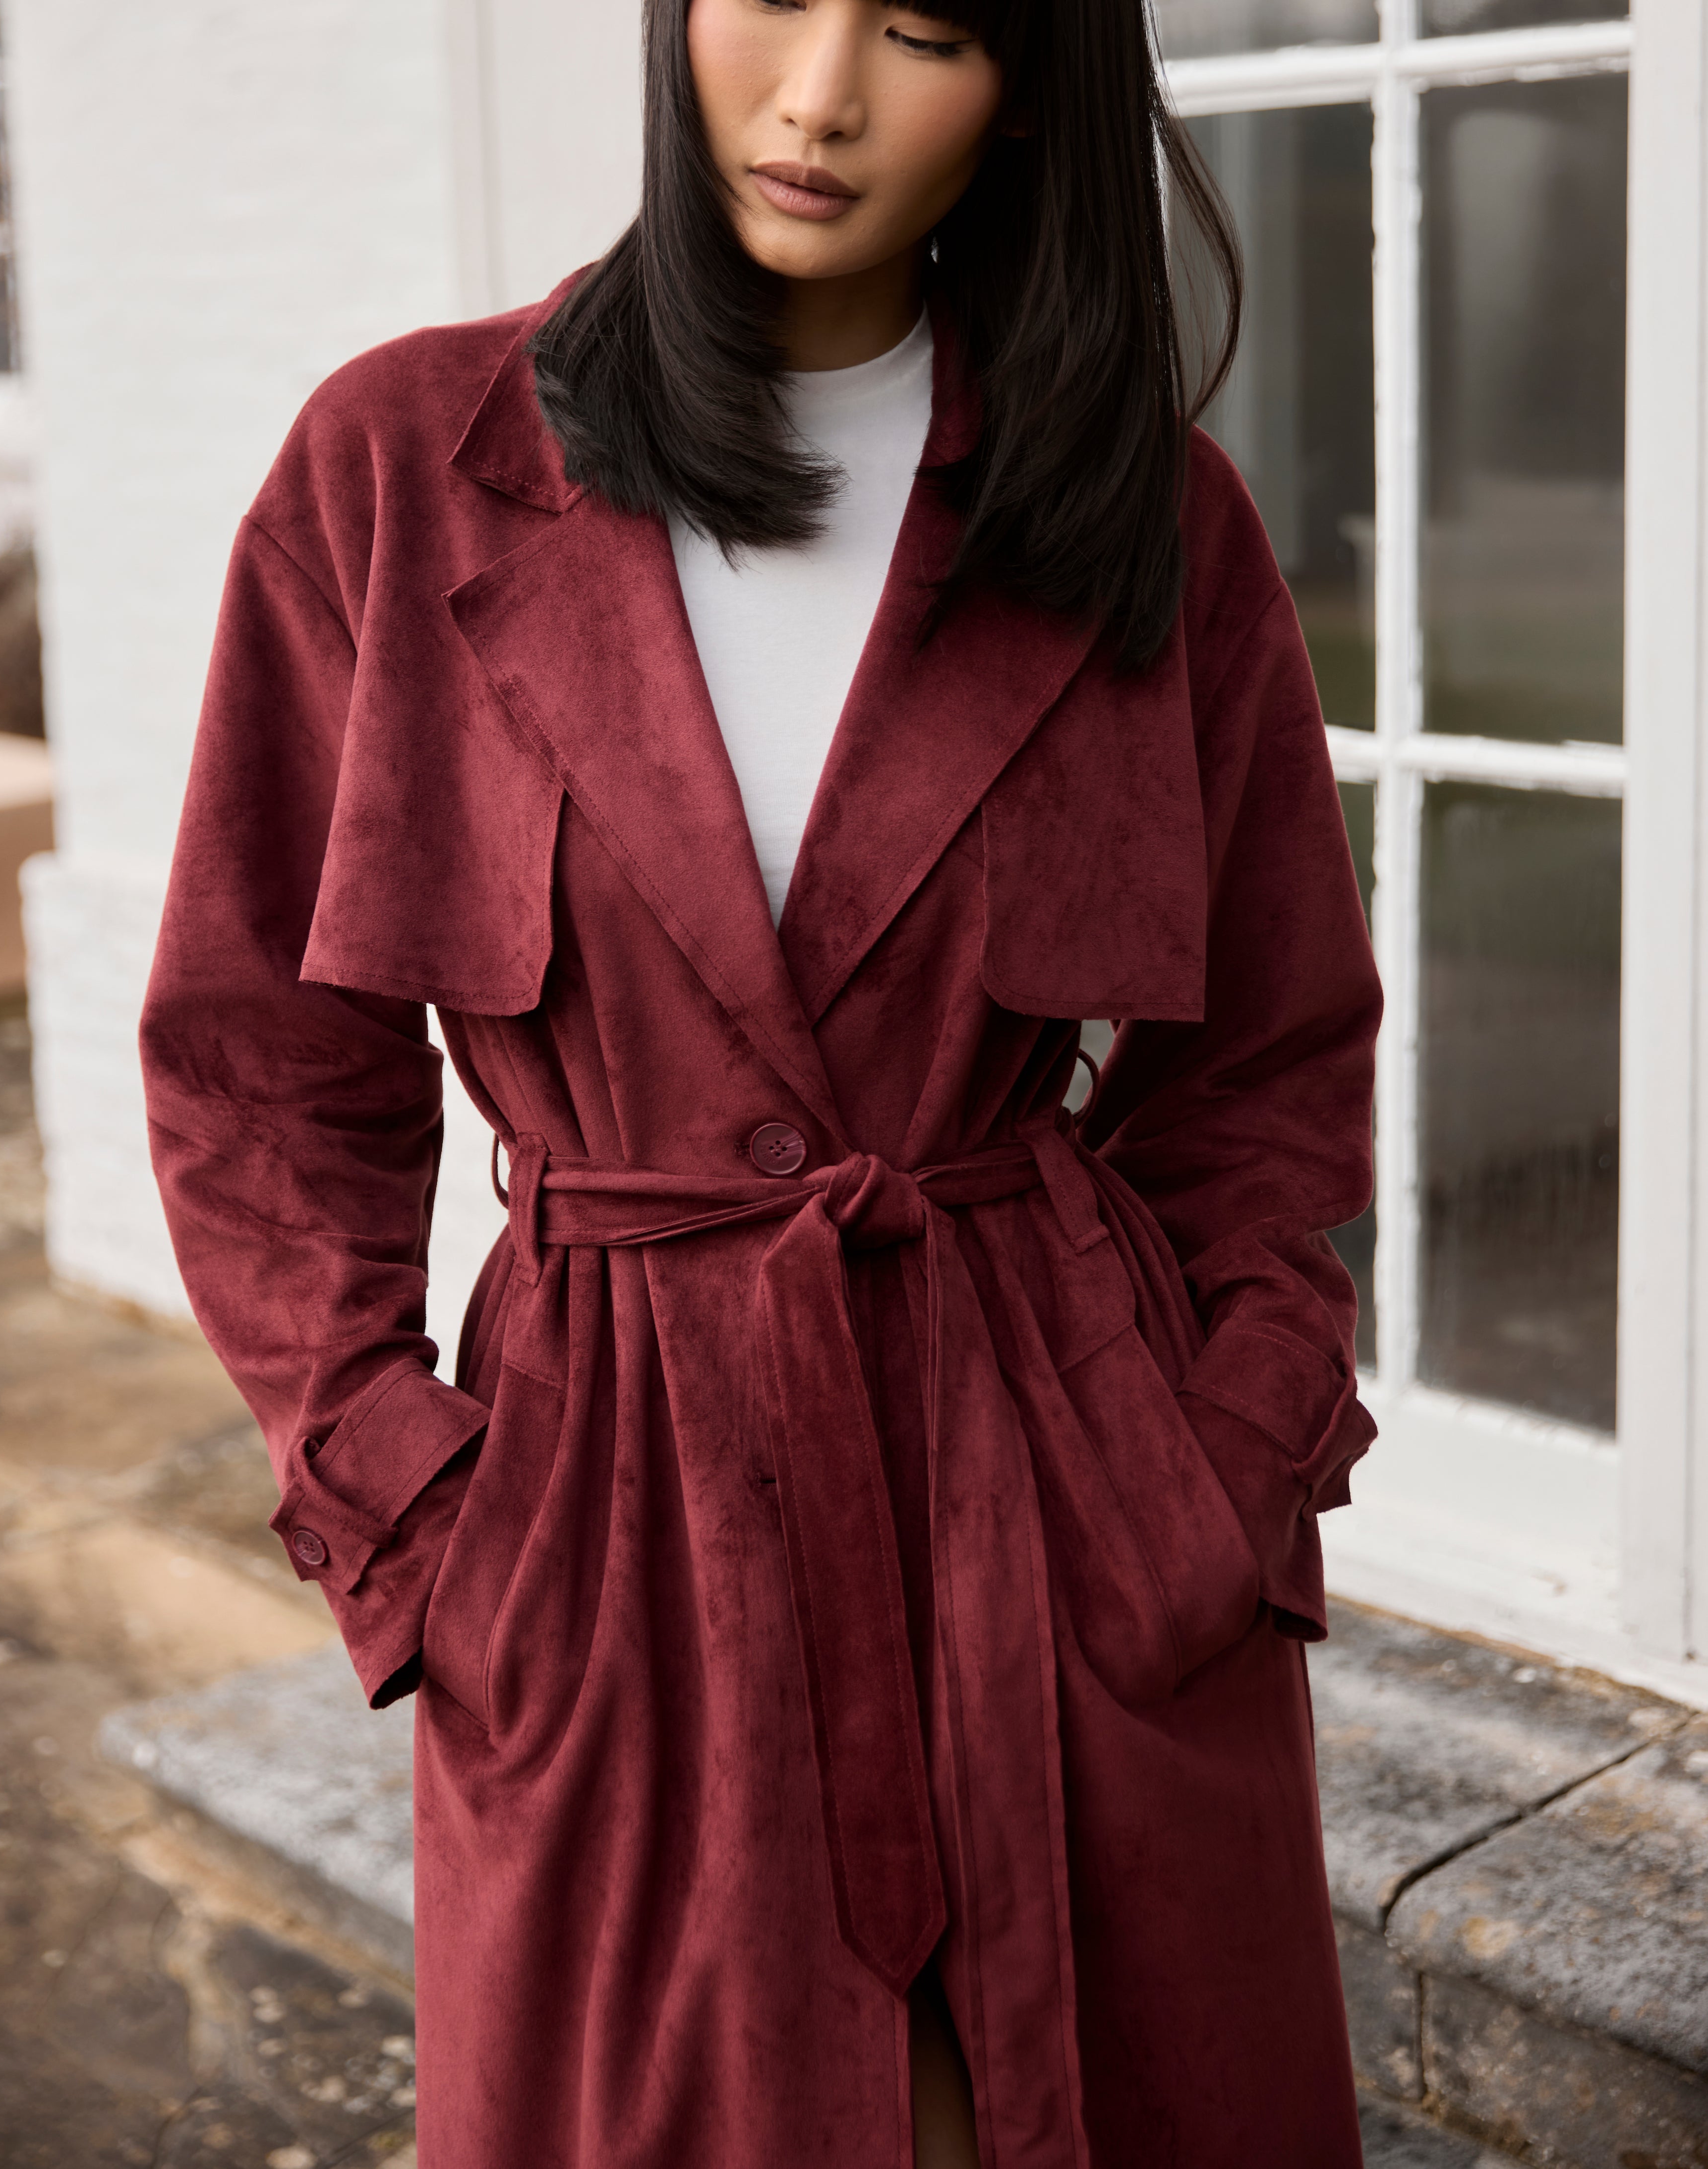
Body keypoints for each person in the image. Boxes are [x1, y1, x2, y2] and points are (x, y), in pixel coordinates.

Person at [140, 1, 1382, 2163]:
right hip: (608, 1509)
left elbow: (1268, 1064)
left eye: (920, 30)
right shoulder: (400, 466)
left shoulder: (1139, 520)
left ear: (1033, 84)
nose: (814, 98)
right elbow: (260, 1063)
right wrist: (419, 1507)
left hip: (1063, 1487)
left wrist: (1213, 1467)